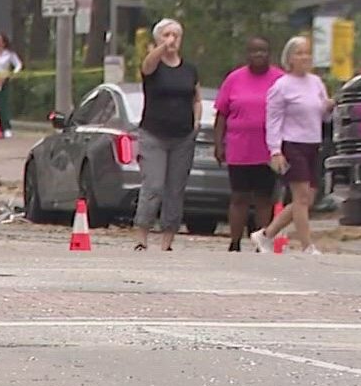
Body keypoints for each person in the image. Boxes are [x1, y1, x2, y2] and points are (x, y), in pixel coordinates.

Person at [251, 36, 333, 255]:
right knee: (301, 196)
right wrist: (275, 150)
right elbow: (273, 120)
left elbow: (321, 114)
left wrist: (328, 107)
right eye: (299, 53)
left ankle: (266, 235)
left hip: (313, 143)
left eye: (307, 52)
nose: (305, 57)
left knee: (307, 199)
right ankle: (307, 245)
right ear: (289, 58)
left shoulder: (316, 82)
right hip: (292, 145)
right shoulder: (282, 86)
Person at [133, 17, 201, 252]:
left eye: (176, 35)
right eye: (167, 35)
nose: (172, 39)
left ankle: (167, 240)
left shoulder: (189, 69)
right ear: (158, 39)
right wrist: (162, 48)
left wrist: (196, 121)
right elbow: (147, 65)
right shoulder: (153, 66)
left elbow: (196, 98)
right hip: (154, 134)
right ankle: (142, 236)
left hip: (182, 137)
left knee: (175, 189)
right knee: (153, 186)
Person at [210, 36, 283, 252]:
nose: (259, 55)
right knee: (239, 196)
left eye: (263, 51)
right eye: (254, 51)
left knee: (263, 197)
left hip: (268, 149)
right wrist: (219, 144)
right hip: (239, 148)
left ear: (270, 54)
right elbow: (221, 114)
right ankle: (234, 242)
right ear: (247, 54)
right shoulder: (234, 79)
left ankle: (262, 242)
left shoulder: (280, 79)